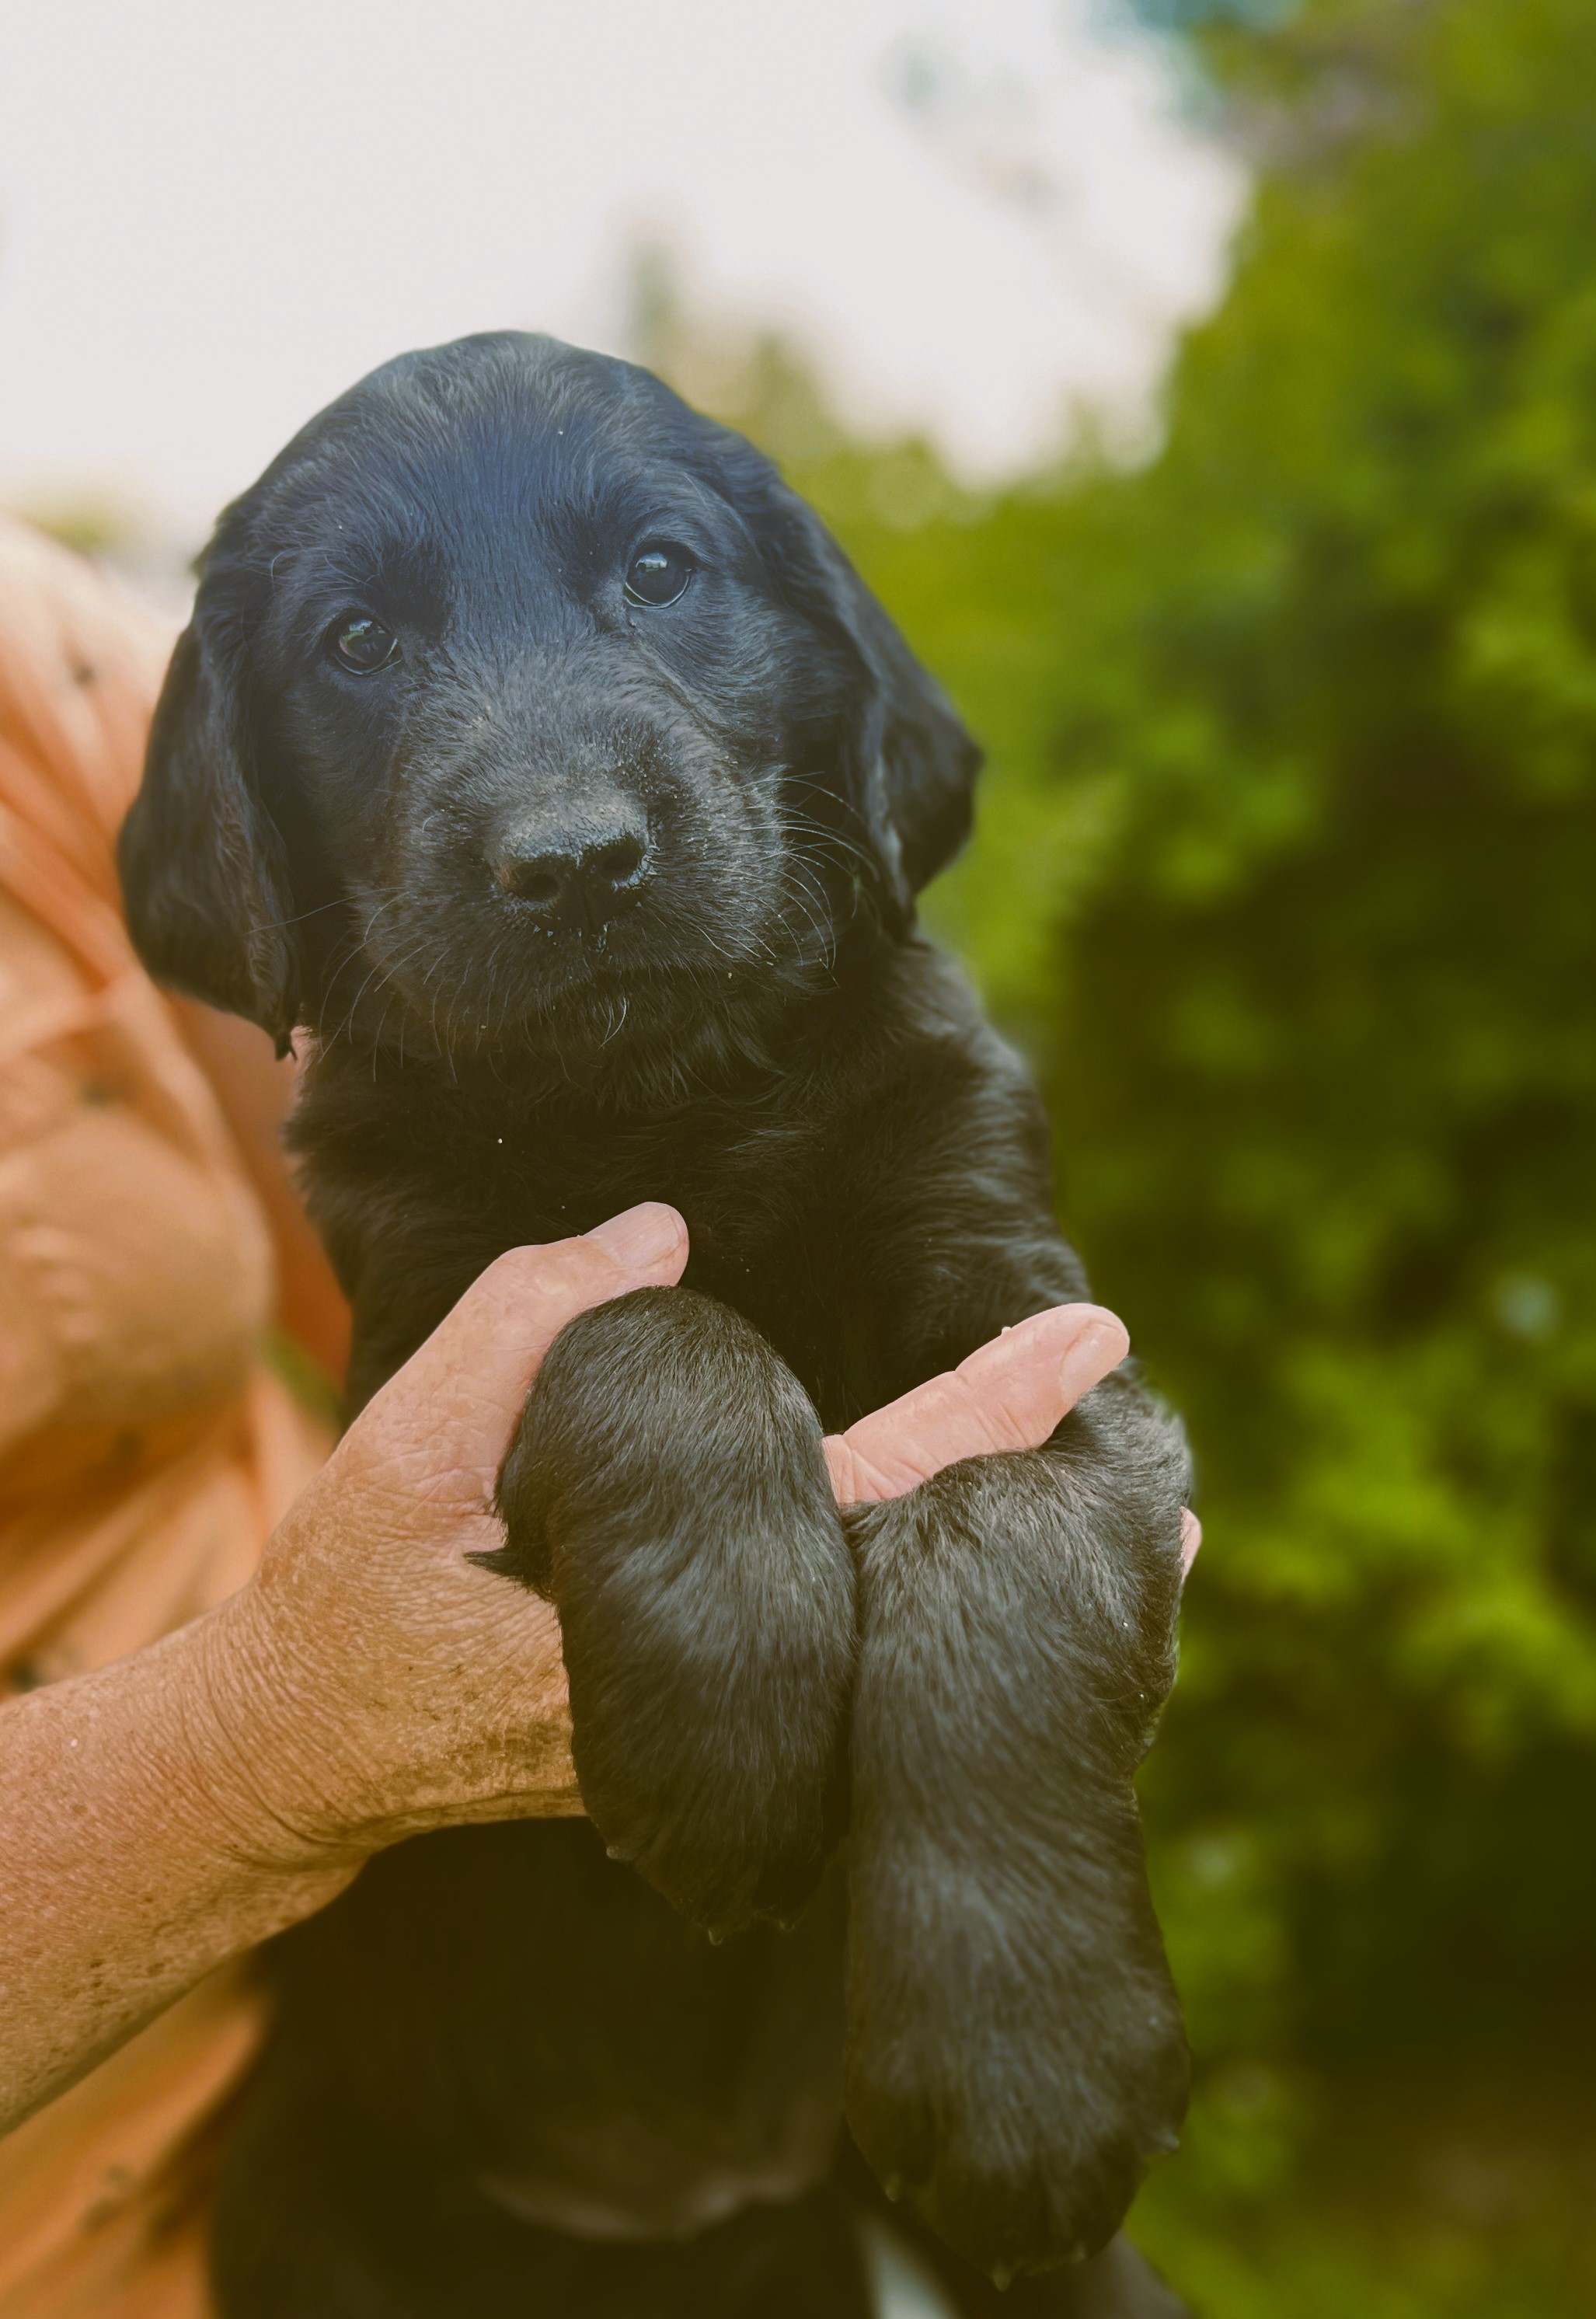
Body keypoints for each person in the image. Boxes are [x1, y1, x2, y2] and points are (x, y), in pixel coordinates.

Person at [0, 516, 1180, 2317]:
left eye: (648, 569)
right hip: (321, 2197)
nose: (555, 813)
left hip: (803, 2113)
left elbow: (394, 1300)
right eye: (368, 644)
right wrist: (287, 1740)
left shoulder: (33, 670)